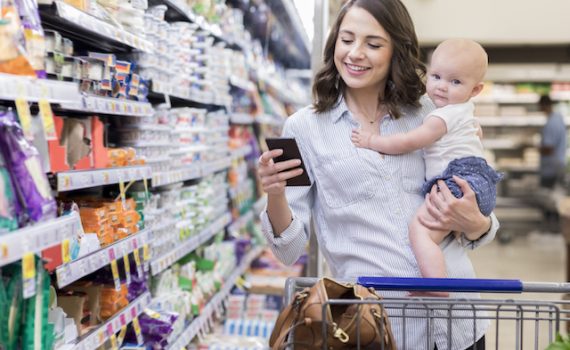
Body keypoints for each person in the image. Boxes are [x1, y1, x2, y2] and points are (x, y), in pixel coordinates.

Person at [257, 0, 499, 349]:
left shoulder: (431, 114)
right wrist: (276, 193)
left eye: (373, 44)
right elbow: (289, 249)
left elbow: (482, 216)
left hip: (459, 324)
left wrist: (477, 223)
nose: (355, 53)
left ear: (396, 51)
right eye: (346, 39)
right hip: (375, 328)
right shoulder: (301, 129)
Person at [350, 38, 503, 287]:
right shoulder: (466, 113)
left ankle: (435, 287)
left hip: (456, 183)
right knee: (441, 234)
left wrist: (372, 141)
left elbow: (409, 141)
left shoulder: (441, 116)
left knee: (420, 232)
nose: (442, 87)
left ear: (475, 90)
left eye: (455, 82)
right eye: (436, 76)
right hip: (477, 182)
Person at [538, 94, 567, 189]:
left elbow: (548, 149)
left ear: (543, 105)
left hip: (550, 169)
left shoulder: (551, 123)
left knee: (547, 196)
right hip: (558, 165)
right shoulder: (558, 118)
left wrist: (537, 148)